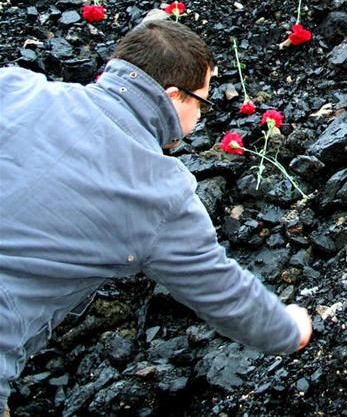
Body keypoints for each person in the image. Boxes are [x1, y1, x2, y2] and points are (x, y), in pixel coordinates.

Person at [0, 20, 311, 414]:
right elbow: (221, 290)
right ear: (172, 96)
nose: (201, 115)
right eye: (202, 102)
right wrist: (289, 330)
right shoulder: (157, 192)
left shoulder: (13, 86)